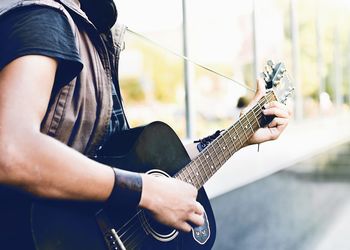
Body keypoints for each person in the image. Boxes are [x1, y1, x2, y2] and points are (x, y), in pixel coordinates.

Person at [0, 0, 291, 249]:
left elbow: (126, 165)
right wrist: (149, 193)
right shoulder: (43, 19)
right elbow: (11, 151)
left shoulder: (88, 31)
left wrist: (237, 134)